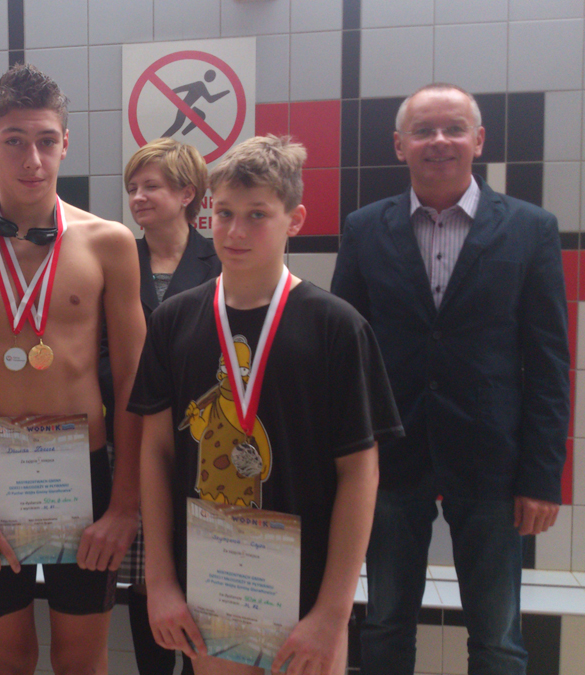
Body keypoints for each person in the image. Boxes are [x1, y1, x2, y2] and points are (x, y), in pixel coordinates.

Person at [130, 135, 402, 675]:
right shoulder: (174, 321)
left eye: (257, 215)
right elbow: (156, 453)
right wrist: (160, 581)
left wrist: (332, 612)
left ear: (294, 219)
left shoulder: (336, 327)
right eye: (224, 213)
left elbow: (360, 473)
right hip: (213, 581)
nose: (235, 231)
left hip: (306, 592)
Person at [0, 63, 146, 674]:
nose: (32, 159)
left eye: (46, 140)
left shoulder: (109, 243)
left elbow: (134, 382)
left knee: (81, 660)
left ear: (65, 143)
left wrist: (125, 505)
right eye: (14, 140)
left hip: (85, 478)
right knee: (6, 658)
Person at [331, 83, 570, 674]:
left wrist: (543, 476)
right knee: (385, 625)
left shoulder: (531, 228)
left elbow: (547, 362)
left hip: (494, 461)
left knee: (498, 638)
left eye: (454, 128)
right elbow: (346, 356)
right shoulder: (363, 228)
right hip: (390, 456)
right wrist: (343, 460)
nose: (439, 141)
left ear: (478, 140)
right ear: (399, 145)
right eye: (423, 130)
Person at [116, 138, 219, 674]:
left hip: (205, 443)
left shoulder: (221, 259)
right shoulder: (117, 259)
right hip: (134, 437)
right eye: (132, 187)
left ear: (186, 193)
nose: (138, 197)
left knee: (204, 579)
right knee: (146, 582)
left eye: (150, 186)